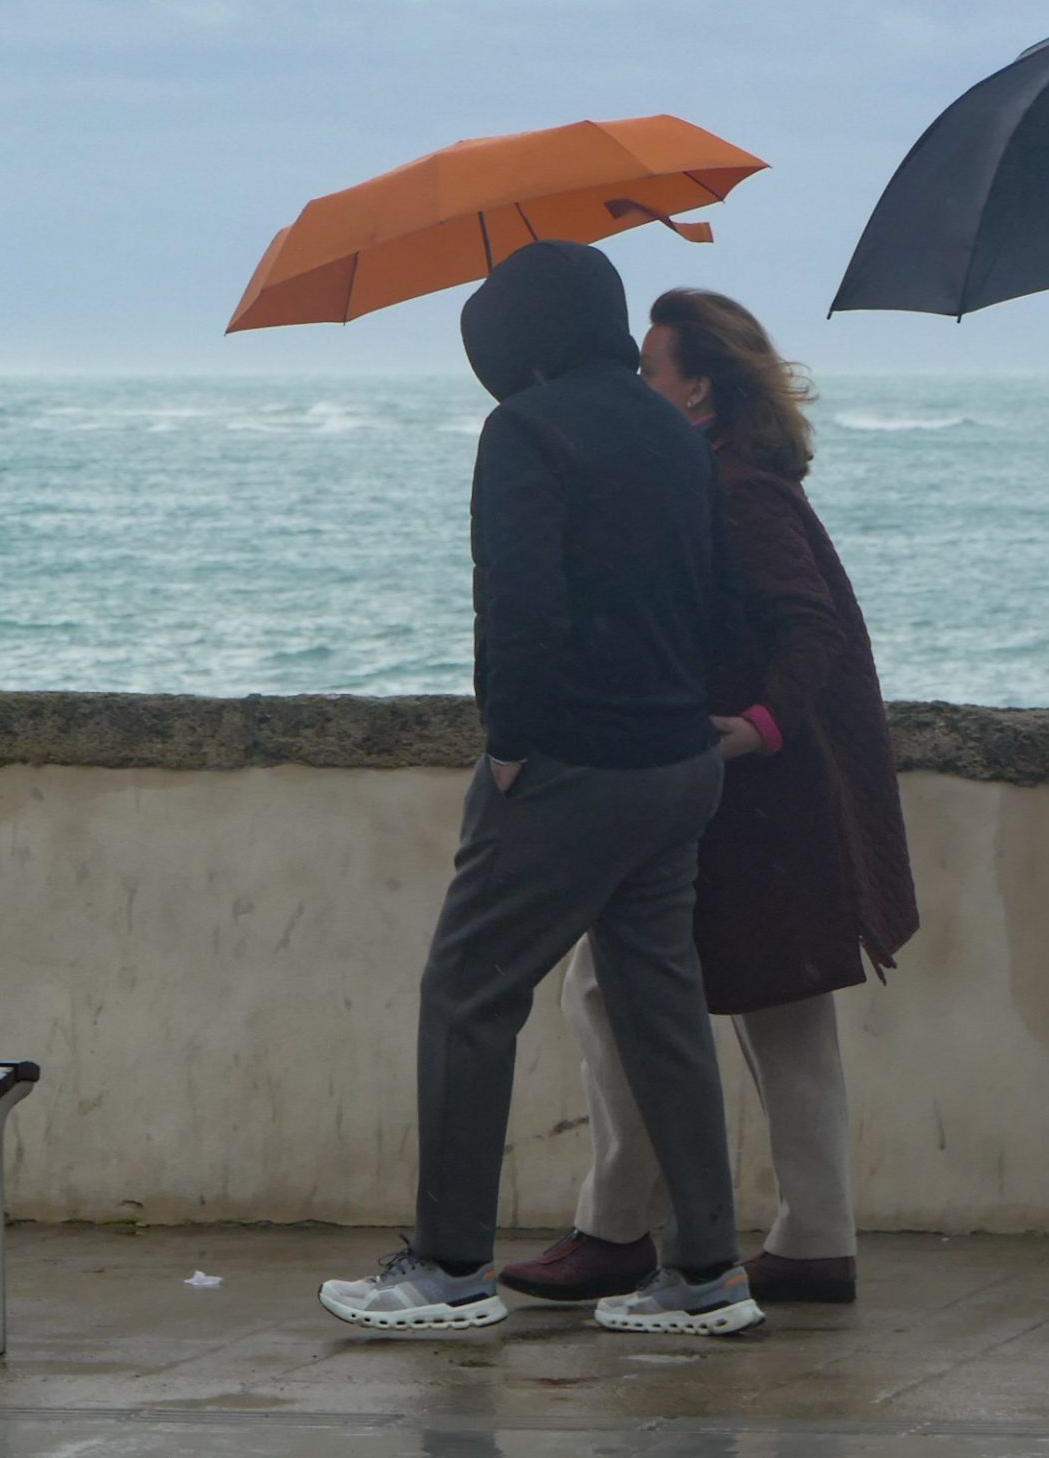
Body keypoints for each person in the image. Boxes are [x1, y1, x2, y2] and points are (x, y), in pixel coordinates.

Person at [316, 241, 762, 1339]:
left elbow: (515, 600)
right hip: (677, 762)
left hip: (570, 762)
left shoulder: (524, 429)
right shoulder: (674, 430)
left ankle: (449, 1265)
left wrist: (511, 742)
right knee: (662, 1014)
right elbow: (717, 601)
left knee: (468, 993)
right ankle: (708, 1270)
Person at [502, 289, 917, 1309]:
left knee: (621, 993)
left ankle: (622, 1228)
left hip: (754, 800)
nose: (637, 385)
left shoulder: (733, 491)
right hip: (770, 800)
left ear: (698, 389)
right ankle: (807, 1237)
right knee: (762, 1014)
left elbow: (810, 627)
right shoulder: (733, 480)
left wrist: (757, 725)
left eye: (651, 369)